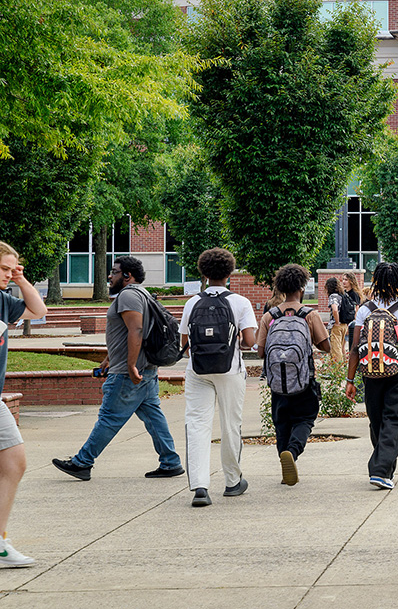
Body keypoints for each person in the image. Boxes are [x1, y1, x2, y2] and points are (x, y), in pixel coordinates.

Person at [53, 256, 185, 483]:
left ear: (127, 276)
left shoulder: (128, 295)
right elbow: (125, 335)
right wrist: (109, 358)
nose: (110, 276)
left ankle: (82, 463)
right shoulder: (141, 294)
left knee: (109, 417)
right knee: (153, 417)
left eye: (114, 272)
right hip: (145, 369)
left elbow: (136, 331)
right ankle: (170, 462)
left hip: (129, 373)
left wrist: (130, 365)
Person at [179, 247, 257, 506]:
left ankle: (200, 486)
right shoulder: (240, 302)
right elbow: (249, 341)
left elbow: (185, 342)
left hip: (198, 370)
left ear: (203, 273)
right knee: (230, 424)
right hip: (230, 370)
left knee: (197, 424)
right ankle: (233, 481)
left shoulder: (192, 302)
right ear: (229, 272)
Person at [345, 262, 398, 491]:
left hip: (370, 373)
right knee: (395, 420)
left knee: (377, 421)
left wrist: (349, 380)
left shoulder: (364, 310)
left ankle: (383, 468)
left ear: (375, 282)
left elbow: (356, 348)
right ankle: (380, 470)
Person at [256, 264, 330, 486]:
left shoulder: (270, 316)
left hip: (277, 382)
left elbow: (260, 351)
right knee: (305, 419)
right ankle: (293, 452)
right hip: (304, 380)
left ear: (280, 287)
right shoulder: (310, 315)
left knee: (282, 423)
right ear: (302, 286)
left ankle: (283, 459)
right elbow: (325, 346)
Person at [0, 242, 46, 566]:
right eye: (4, 268)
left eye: (13, 268)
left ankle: (0, 542)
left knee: (15, 463)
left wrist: (20, 280)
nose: (9, 274)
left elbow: (38, 311)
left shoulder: (3, 301)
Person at [324, 277, 347, 364]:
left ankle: (338, 370)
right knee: (341, 347)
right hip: (344, 325)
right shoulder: (343, 295)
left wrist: (336, 322)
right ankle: (343, 367)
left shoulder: (333, 296)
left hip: (337, 325)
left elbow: (334, 309)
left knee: (335, 349)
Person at [341, 272, 364, 350]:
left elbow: (356, 308)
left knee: (348, 345)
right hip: (344, 320)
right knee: (342, 346)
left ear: (351, 281)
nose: (344, 281)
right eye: (343, 279)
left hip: (351, 322)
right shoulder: (344, 293)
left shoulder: (354, 294)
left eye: (346, 280)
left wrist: (353, 322)